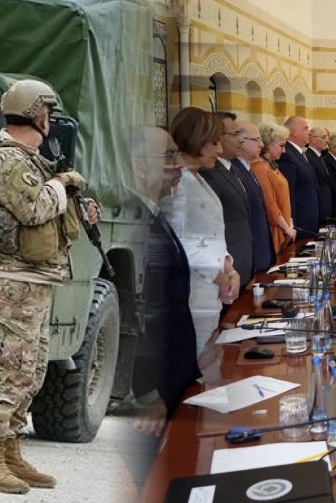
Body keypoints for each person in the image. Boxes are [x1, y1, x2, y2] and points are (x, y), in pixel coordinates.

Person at [0, 79, 98, 494]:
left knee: (31, 369)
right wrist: (62, 185)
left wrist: (74, 202)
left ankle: (9, 451)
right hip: (11, 282)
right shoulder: (7, 160)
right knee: (9, 371)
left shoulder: (30, 160)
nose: (50, 122)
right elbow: (34, 208)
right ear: (39, 116)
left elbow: (48, 212)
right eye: (48, 114)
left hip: (33, 280)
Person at [129, 126, 199, 438]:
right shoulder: (134, 224)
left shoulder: (152, 213)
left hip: (173, 381)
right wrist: (147, 395)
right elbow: (138, 317)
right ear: (139, 166)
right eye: (169, 156)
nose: (179, 164)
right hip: (156, 395)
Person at [161, 107, 238, 355]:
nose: (219, 150)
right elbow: (182, 244)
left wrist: (231, 270)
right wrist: (222, 278)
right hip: (193, 295)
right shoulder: (176, 183)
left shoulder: (199, 178)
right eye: (214, 142)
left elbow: (214, 236)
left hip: (211, 294)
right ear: (197, 140)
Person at [200, 112, 254, 288]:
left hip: (242, 264)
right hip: (223, 270)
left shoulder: (234, 169)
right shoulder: (208, 171)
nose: (241, 140)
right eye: (235, 134)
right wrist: (227, 272)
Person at [234, 121, 276, 274]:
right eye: (257, 139)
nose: (262, 145)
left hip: (260, 253)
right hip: (249, 257)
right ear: (241, 141)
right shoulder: (235, 171)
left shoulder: (247, 168)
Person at [252, 122, 297, 254]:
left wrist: (289, 223)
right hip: (275, 230)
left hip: (284, 228)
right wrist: (287, 228)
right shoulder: (260, 168)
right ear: (268, 144)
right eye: (281, 146)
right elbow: (270, 205)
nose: (284, 151)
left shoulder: (271, 165)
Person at [277, 116, 319, 238]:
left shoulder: (299, 153)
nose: (309, 132)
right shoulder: (287, 155)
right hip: (300, 223)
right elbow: (288, 193)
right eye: (306, 128)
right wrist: (292, 225)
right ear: (294, 132)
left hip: (309, 219)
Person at [304, 127, 334, 226]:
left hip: (325, 208)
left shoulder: (320, 157)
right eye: (324, 137)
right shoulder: (308, 157)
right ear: (313, 139)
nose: (327, 141)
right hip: (318, 210)